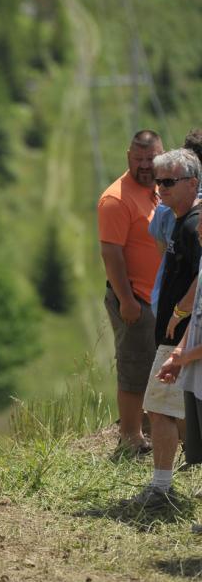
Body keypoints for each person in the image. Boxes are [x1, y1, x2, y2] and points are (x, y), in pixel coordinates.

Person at [123, 149, 201, 508]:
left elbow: (200, 280)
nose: (161, 188)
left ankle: (161, 489)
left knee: (159, 408)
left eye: (168, 182)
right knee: (170, 409)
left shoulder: (193, 225)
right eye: (158, 182)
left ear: (192, 183)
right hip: (179, 334)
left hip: (183, 337)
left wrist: (180, 314)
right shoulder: (179, 219)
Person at [98, 130, 164, 455]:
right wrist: (127, 301)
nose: (144, 166)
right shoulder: (116, 199)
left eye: (150, 159)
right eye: (138, 159)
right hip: (135, 299)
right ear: (128, 157)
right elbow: (111, 253)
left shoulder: (157, 190)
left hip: (158, 297)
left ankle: (150, 428)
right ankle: (130, 436)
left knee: (156, 367)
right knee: (134, 368)